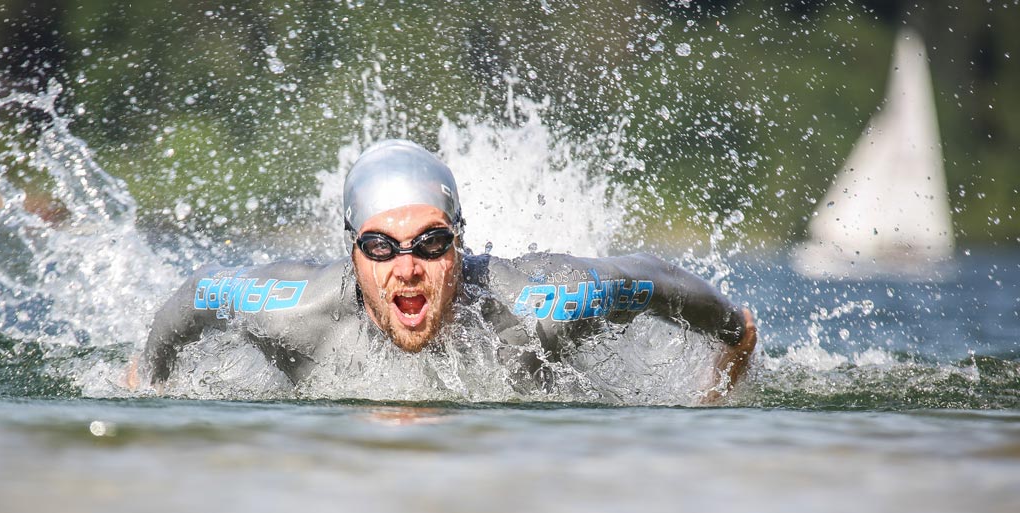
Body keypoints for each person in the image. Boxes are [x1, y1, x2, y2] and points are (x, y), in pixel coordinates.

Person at [128, 139, 757, 401]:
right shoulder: (293, 310)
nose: (407, 270)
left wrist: (732, 354)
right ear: (351, 251)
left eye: (429, 243)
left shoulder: (542, 306)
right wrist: (144, 385)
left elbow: (648, 279)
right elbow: (195, 294)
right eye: (380, 248)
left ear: (459, 241)